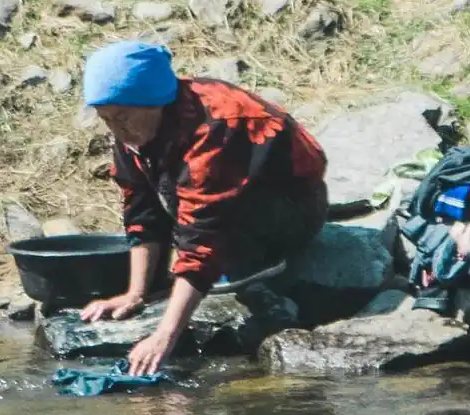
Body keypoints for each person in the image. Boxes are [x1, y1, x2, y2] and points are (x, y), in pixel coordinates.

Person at [79, 40, 329, 375]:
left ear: (154, 101)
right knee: (165, 192)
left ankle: (259, 265)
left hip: (288, 208)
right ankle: (191, 279)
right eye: (106, 119)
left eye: (123, 117)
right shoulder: (132, 128)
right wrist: (134, 293)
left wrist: (165, 335)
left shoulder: (216, 127)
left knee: (204, 233)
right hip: (217, 205)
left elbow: (203, 236)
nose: (116, 129)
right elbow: (141, 209)